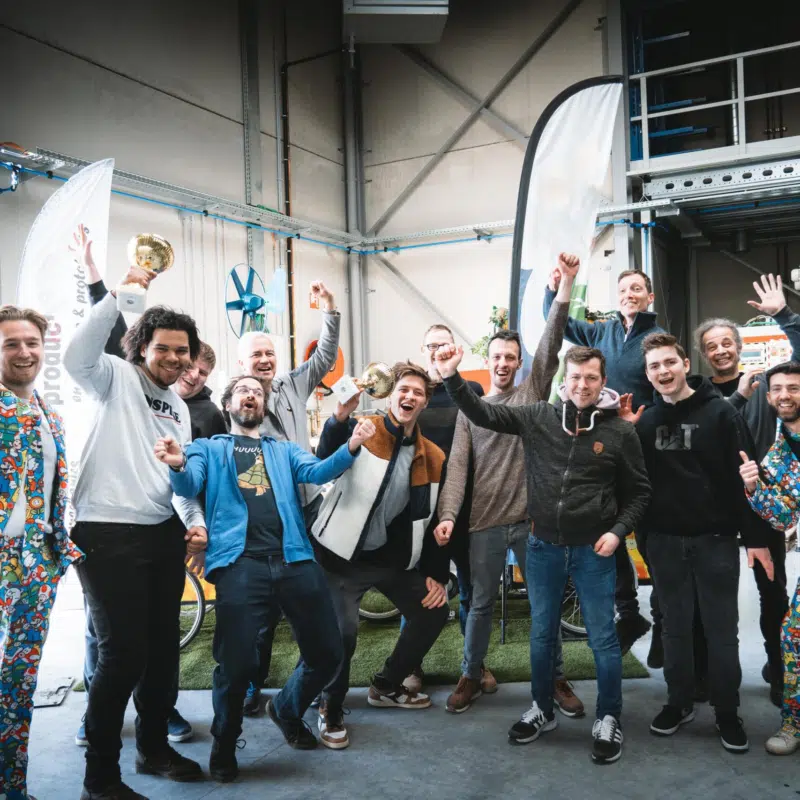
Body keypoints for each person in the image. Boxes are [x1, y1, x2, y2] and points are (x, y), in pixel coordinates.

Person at [436, 344, 650, 764]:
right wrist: (451, 377)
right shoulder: (538, 416)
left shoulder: (620, 433)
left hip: (594, 551)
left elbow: (640, 492)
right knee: (541, 633)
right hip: (543, 547)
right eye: (575, 377)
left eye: (591, 378)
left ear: (603, 382)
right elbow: (484, 414)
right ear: (564, 381)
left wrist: (617, 532)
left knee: (603, 639)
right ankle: (542, 709)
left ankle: (609, 716)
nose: (582, 385)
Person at [160, 374, 374, 780]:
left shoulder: (282, 449)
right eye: (243, 390)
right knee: (236, 663)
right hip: (241, 564)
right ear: (228, 404)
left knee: (328, 653)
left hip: (294, 559)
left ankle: (287, 708)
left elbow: (319, 471)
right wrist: (178, 464)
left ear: (263, 406)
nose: (251, 396)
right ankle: (225, 741)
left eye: (257, 393)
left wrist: (352, 445)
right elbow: (189, 483)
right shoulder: (208, 447)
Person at [64, 266, 209, 800]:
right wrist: (127, 291)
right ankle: (101, 778)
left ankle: (153, 749)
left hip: (161, 533)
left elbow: (178, 480)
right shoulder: (114, 377)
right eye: (162, 348)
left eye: (182, 351)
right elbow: (74, 358)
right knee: (121, 654)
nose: (173, 358)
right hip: (105, 532)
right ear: (142, 347)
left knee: (162, 651)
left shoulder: (180, 409)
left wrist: (194, 522)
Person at [436, 253, 583, 717]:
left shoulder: (531, 393)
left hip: (532, 522)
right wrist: (447, 515)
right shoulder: (470, 411)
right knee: (480, 604)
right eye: (496, 357)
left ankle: (554, 677)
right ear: (487, 361)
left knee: (544, 606)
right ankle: (471, 674)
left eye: (510, 357)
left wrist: (565, 287)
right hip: (485, 522)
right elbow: (457, 468)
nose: (503, 363)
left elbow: (552, 343)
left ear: (520, 363)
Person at [630, 332, 773, 754]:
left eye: (669, 362)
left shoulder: (721, 413)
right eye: (654, 366)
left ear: (685, 365)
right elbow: (639, 486)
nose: (663, 371)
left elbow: (744, 477)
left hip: (715, 541)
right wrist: (648, 540)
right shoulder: (647, 422)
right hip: (665, 544)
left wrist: (754, 539)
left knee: (721, 632)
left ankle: (727, 711)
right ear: (648, 374)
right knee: (674, 629)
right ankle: (678, 703)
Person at [310, 361, 451, 750]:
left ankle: (387, 685)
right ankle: (330, 705)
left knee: (434, 610)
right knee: (343, 632)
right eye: (403, 389)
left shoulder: (432, 456)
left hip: (388, 560)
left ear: (425, 403)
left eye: (418, 393)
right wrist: (339, 420)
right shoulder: (365, 430)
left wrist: (437, 575)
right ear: (391, 395)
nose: (410, 396)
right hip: (338, 556)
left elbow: (433, 517)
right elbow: (324, 461)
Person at [235, 280, 341, 714]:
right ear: (242, 364)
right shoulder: (237, 403)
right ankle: (251, 683)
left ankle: (308, 684)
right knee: (262, 613)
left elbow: (325, 358)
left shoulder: (293, 385)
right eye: (256, 355)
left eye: (269, 353)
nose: (264, 360)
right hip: (266, 520)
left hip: (309, 510)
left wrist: (329, 310)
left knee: (312, 603)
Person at [544, 267, 661, 655]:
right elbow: (561, 324)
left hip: (642, 449)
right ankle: (628, 613)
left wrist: (642, 424)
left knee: (650, 541)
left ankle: (663, 623)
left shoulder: (655, 338)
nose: (629, 294)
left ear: (649, 297)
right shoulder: (601, 333)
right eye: (623, 289)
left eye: (637, 288)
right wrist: (554, 290)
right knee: (608, 533)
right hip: (601, 449)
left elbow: (664, 394)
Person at [694, 273, 799, 705]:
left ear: (739, 346)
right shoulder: (697, 392)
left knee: (772, 592)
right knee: (706, 599)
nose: (720, 350)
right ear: (703, 354)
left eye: (727, 342)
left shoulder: (765, 384)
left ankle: (780, 672)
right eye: (711, 345)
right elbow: (706, 433)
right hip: (714, 511)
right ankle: (704, 676)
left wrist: (784, 315)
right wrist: (734, 397)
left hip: (762, 506)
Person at [0, 305, 84, 800]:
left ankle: (12, 788)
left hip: (38, 563)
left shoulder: (49, 414)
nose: (24, 352)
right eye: (11, 343)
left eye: (31, 342)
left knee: (19, 682)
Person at [414, 322, 487, 694]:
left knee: (473, 590)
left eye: (443, 344)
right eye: (430, 345)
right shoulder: (414, 392)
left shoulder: (471, 391)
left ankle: (474, 666)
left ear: (455, 349)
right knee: (421, 590)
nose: (436, 350)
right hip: (423, 511)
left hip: (467, 507)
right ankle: (411, 666)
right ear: (422, 350)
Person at [739, 362, 800, 755]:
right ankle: (793, 723)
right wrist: (754, 487)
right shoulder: (777, 455)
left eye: (793, 387)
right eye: (777, 389)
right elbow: (783, 517)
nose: (784, 395)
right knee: (793, 636)